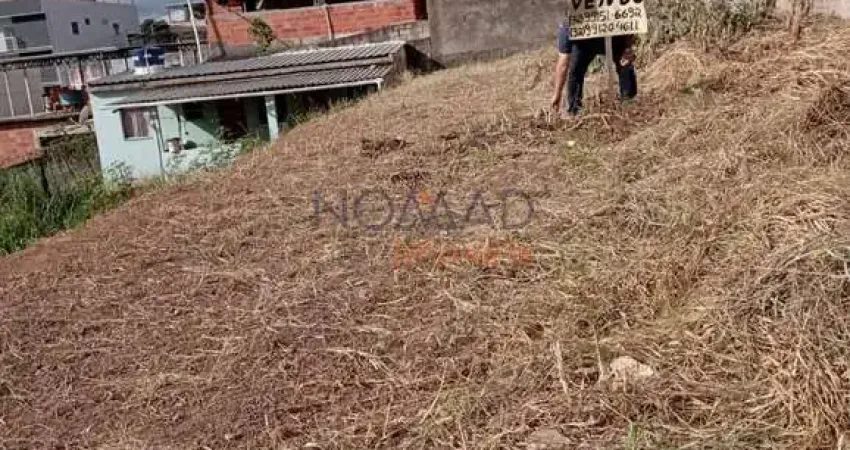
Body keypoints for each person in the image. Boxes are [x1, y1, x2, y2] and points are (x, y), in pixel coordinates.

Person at [550, 19, 638, 115]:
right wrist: (557, 94)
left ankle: (628, 104)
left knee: (624, 64)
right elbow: (563, 64)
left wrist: (628, 47)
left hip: (612, 36)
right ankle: (574, 111)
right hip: (584, 44)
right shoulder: (568, 26)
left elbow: (629, 20)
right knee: (575, 72)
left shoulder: (611, 13)